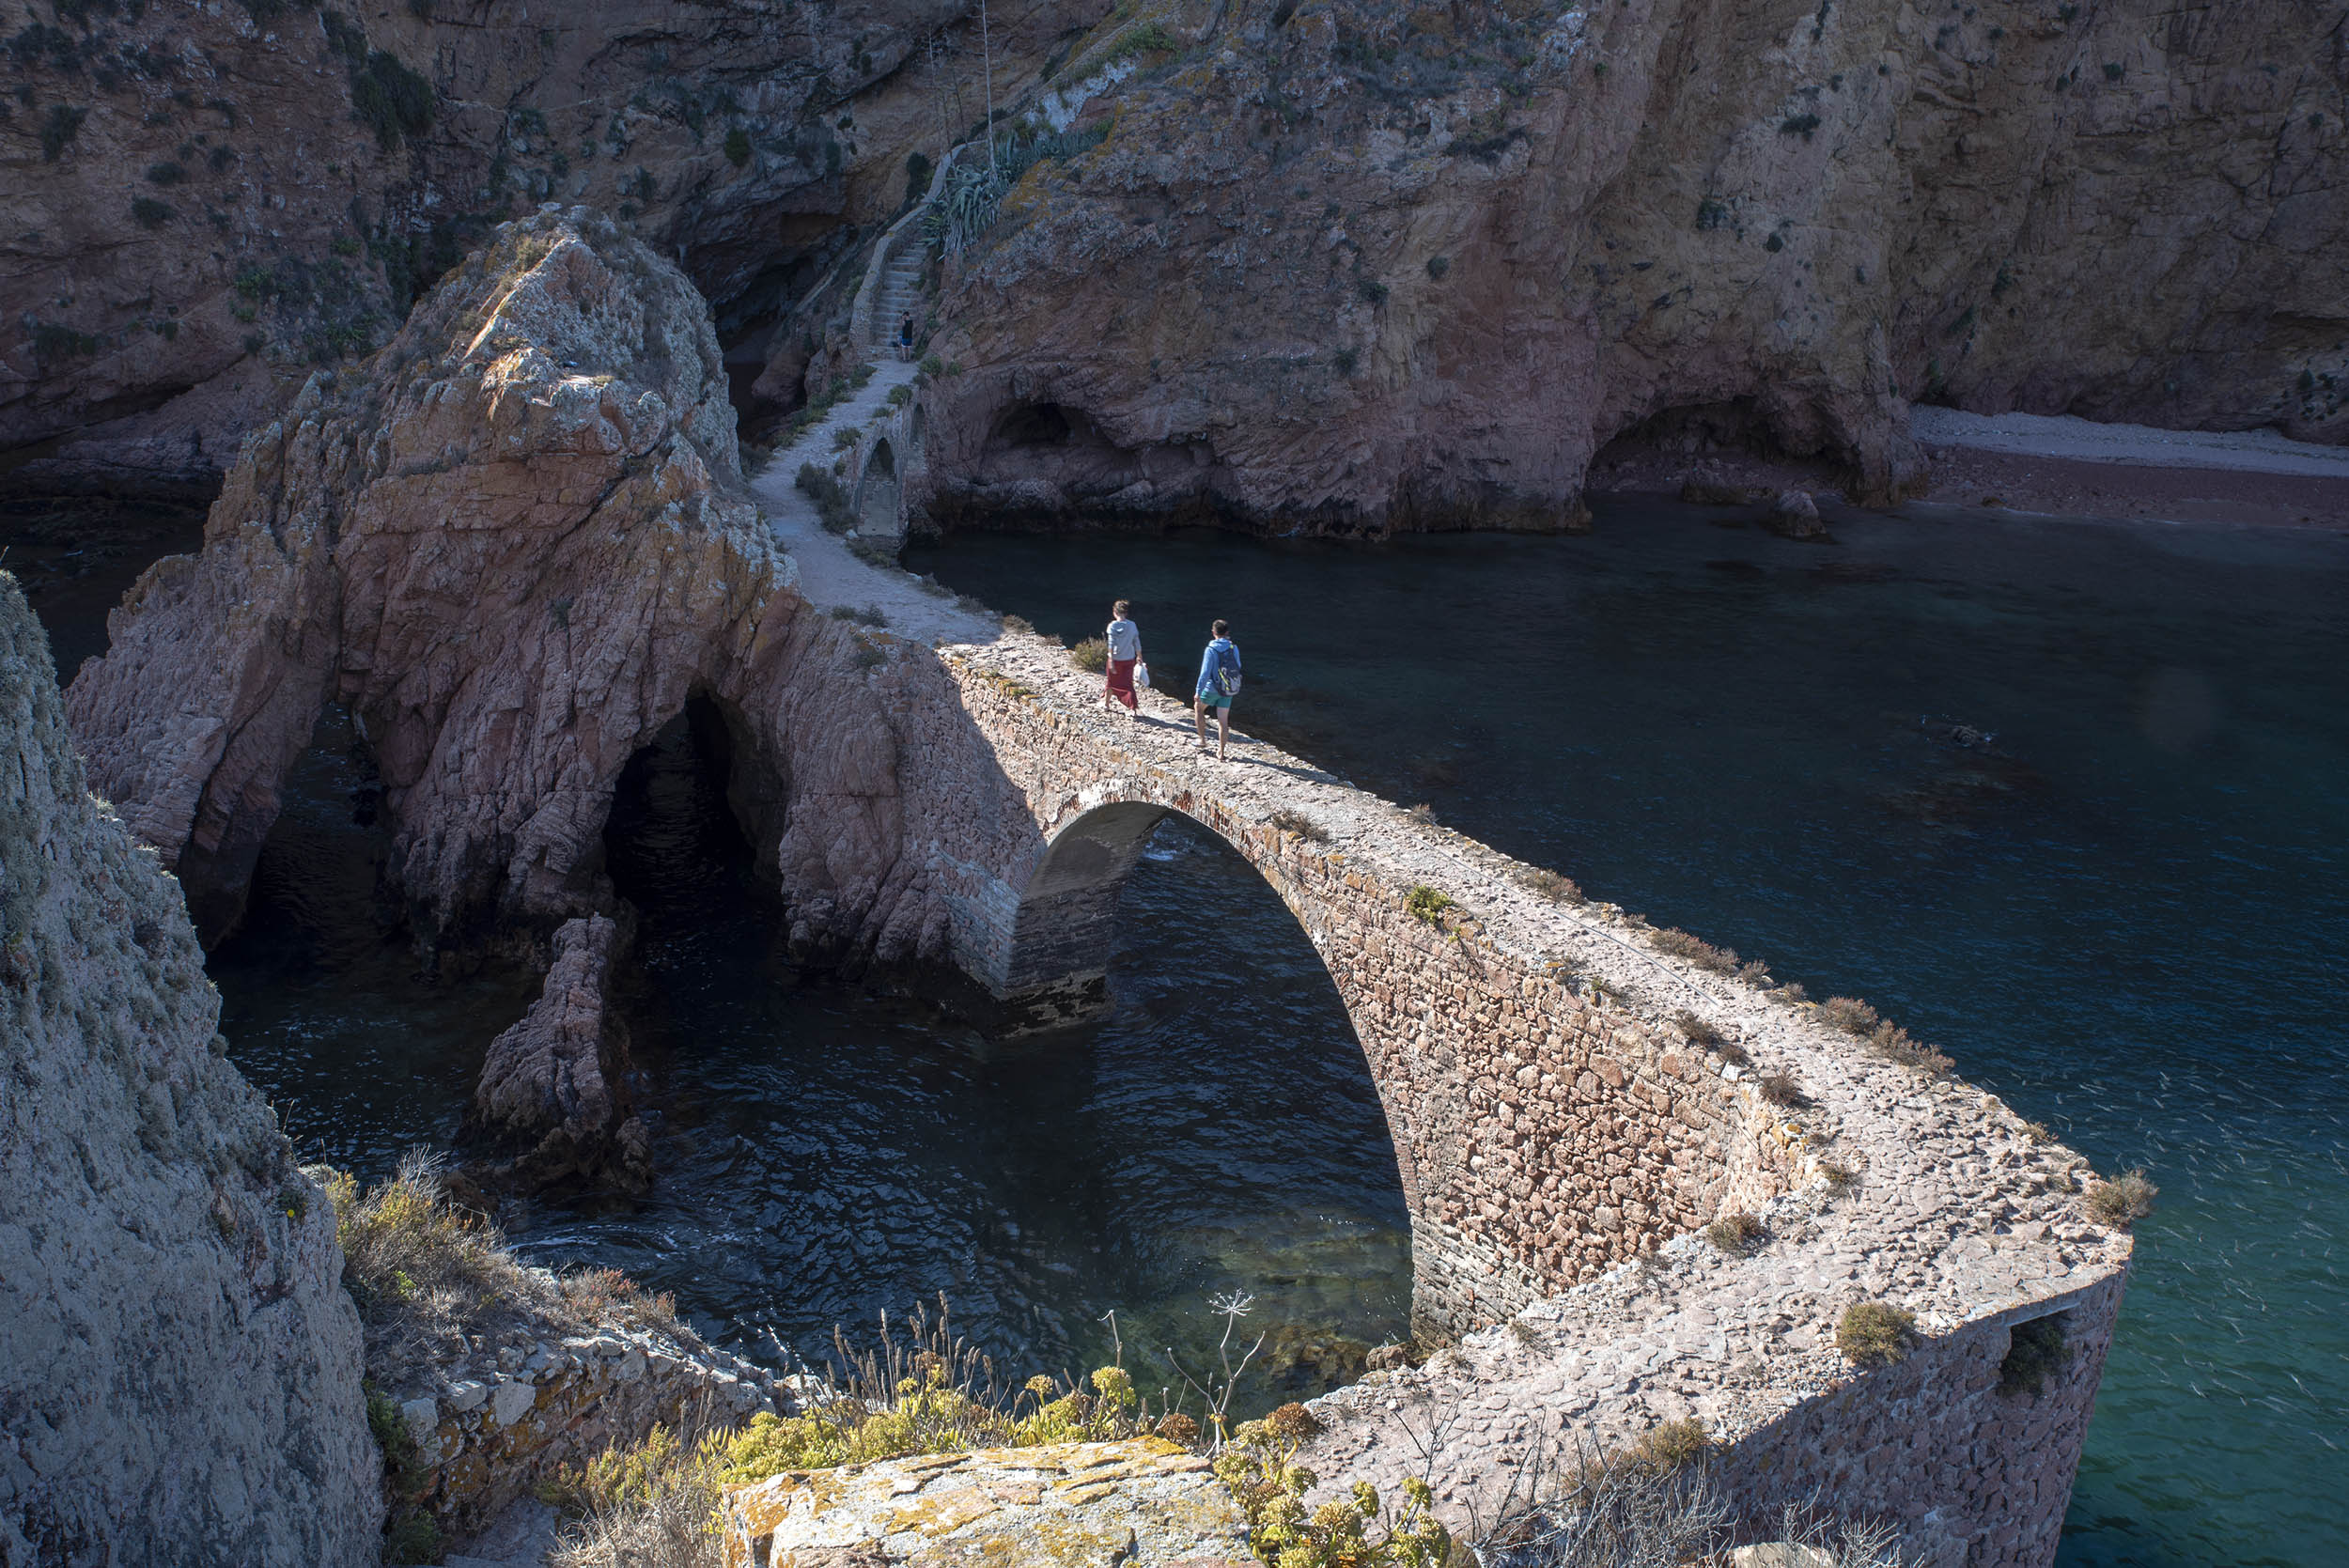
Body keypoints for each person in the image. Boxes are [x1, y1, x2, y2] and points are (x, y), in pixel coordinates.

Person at [1194, 619, 1241, 758]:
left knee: (1198, 707)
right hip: (1228, 688)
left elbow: (1205, 673)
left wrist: (1198, 691)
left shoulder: (1211, 649)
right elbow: (1238, 666)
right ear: (1227, 632)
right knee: (1223, 721)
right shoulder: (1234, 648)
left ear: (1213, 632)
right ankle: (1221, 752)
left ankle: (1202, 740)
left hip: (1212, 688)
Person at [1104, 599, 1143, 719]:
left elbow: (1111, 644)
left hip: (1115, 659)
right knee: (1127, 684)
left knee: (1111, 682)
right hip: (1129, 659)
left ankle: (1106, 704)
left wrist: (1110, 659)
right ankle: (1133, 709)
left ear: (1115, 612)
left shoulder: (1112, 626)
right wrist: (1139, 656)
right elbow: (1136, 641)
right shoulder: (1132, 625)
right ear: (1126, 613)